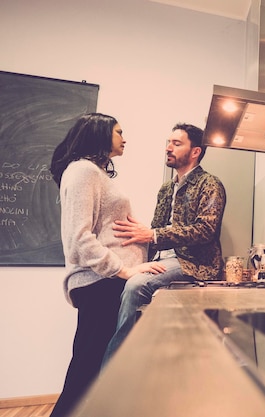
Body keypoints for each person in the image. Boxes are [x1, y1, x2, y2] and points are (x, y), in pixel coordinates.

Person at [49, 113, 166, 417]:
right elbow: (79, 239)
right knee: (86, 372)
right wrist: (124, 270)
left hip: (105, 283)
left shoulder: (92, 172)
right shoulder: (82, 171)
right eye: (119, 132)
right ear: (100, 134)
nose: (124, 138)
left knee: (95, 370)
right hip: (100, 283)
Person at [101, 122, 226, 366]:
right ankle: (134, 369)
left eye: (176, 144)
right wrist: (136, 241)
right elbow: (155, 227)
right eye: (168, 143)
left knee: (136, 285)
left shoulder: (210, 184)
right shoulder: (167, 187)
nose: (168, 148)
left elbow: (206, 230)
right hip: (162, 260)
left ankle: (112, 372)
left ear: (195, 151)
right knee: (113, 280)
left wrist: (154, 235)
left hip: (193, 263)